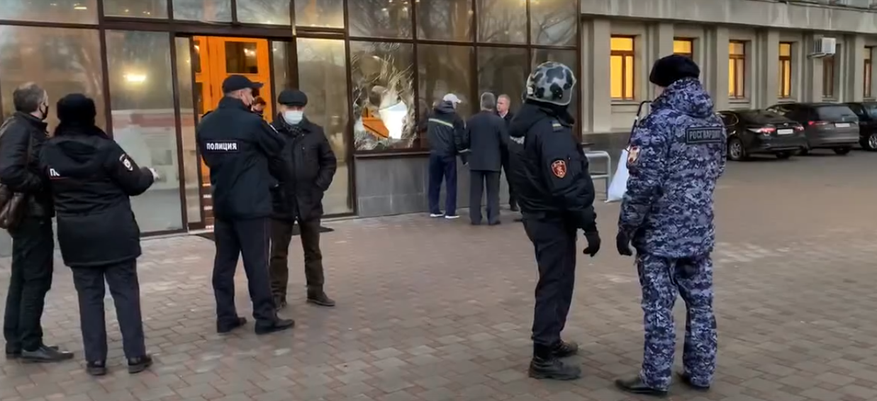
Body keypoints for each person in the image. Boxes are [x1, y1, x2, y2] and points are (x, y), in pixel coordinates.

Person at [614, 55, 724, 397]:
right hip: (699, 232)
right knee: (701, 304)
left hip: (660, 236)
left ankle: (655, 377)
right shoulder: (714, 122)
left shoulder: (658, 122)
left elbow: (643, 184)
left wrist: (626, 227)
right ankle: (700, 372)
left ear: (663, 85)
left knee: (659, 307)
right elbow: (716, 169)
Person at [39, 93, 156, 375]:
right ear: (91, 116)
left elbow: (43, 186)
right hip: (115, 232)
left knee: (88, 297)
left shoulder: (48, 151)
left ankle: (95, 361)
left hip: (75, 235)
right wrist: (149, 173)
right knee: (125, 293)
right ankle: (135, 356)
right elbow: (135, 182)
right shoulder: (106, 148)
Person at [507, 62, 601, 380]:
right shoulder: (551, 131)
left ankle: (552, 338)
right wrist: (589, 225)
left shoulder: (521, 126)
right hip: (552, 218)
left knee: (555, 279)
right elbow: (568, 185)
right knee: (555, 283)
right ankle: (543, 355)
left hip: (536, 214)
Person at [197, 75, 294, 335]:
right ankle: (265, 318)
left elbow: (208, 159)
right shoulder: (251, 122)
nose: (253, 97)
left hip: (223, 204)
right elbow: (277, 145)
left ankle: (225, 317)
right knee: (257, 264)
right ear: (241, 94)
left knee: (223, 264)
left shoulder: (206, 123)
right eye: (251, 93)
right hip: (251, 205)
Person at [1, 83, 73, 363]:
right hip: (31, 215)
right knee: (36, 279)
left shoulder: (19, 126)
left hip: (28, 215)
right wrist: (39, 184)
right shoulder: (22, 129)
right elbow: (9, 170)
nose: (47, 105)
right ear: (38, 105)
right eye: (45, 101)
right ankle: (30, 342)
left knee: (22, 277)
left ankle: (16, 340)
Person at [269, 89, 338, 310]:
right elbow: (261, 165)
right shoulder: (270, 132)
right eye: (291, 107)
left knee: (313, 250)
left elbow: (329, 162)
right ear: (281, 107)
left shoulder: (314, 132)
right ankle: (277, 295)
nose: (295, 111)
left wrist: (318, 187)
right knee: (278, 252)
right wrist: (274, 187)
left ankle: (316, 291)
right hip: (281, 202)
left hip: (309, 200)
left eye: (299, 108)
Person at [464, 92, 507, 225]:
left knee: (475, 192)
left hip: (475, 161)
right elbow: (505, 141)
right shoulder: (499, 121)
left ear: (481, 103)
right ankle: (493, 217)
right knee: (493, 191)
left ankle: (475, 217)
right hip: (493, 161)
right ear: (493, 104)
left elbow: (465, 140)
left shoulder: (471, 121)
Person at [426, 93, 466, 219]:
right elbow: (459, 140)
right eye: (456, 103)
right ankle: (450, 212)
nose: (456, 106)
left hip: (434, 153)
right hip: (448, 155)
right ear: (452, 104)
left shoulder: (432, 114)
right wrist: (464, 157)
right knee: (451, 183)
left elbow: (428, 133)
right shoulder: (455, 118)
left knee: (434, 182)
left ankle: (434, 210)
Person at [496, 94, 517, 211]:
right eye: (497, 103)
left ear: (507, 105)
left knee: (512, 178)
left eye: (501, 103)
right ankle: (495, 202)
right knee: (495, 178)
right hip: (496, 151)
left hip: (509, 152)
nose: (498, 105)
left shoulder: (513, 119)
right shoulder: (493, 117)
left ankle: (513, 202)